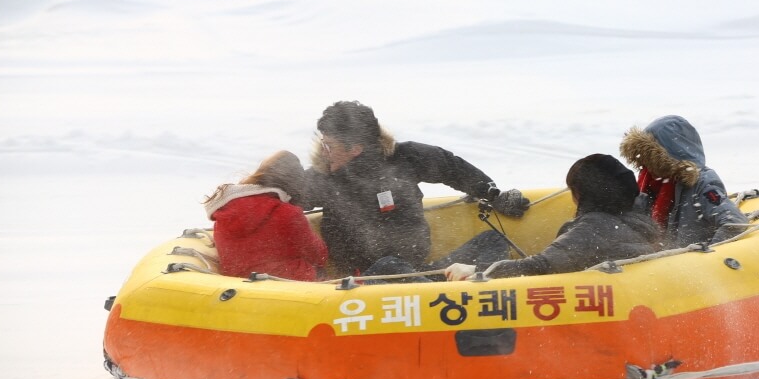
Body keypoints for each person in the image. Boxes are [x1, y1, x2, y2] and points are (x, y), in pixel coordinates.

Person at [293, 101, 529, 277]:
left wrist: (493, 195)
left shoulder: (404, 158)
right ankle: (449, 295)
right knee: (389, 264)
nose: (324, 150)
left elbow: (451, 167)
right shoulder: (323, 178)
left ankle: (469, 291)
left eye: (329, 145)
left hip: (416, 272)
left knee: (493, 239)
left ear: (356, 148)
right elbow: (287, 198)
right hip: (367, 282)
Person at [445, 154, 662, 280]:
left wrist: (477, 270)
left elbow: (540, 266)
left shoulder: (593, 228)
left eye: (573, 191)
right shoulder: (638, 219)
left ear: (584, 194)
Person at [619, 115, 749, 247]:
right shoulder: (650, 185)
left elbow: (735, 222)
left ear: (666, 157)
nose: (646, 165)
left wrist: (709, 254)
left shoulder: (702, 184)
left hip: (694, 262)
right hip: (664, 260)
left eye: (650, 158)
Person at [204, 150, 328, 280]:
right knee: (319, 272)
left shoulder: (225, 210)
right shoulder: (288, 214)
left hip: (235, 287)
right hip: (287, 286)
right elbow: (319, 256)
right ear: (294, 184)